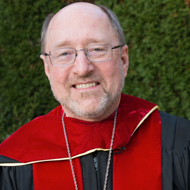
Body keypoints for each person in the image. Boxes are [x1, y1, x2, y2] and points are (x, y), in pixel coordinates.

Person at [0, 2, 190, 190]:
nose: (82, 69)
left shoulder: (178, 141)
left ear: (123, 60)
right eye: (64, 53)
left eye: (97, 49)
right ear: (47, 68)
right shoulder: (14, 161)